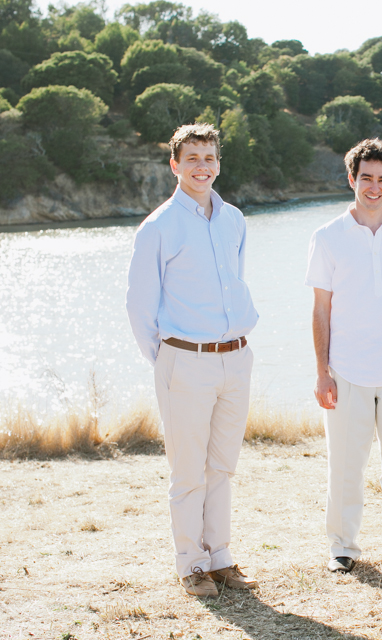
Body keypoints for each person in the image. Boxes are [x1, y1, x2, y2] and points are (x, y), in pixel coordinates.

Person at [126, 123, 260, 598]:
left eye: (210, 158)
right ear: (175, 165)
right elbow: (139, 307)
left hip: (235, 358)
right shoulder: (159, 227)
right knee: (187, 471)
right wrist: (168, 361)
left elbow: (233, 285)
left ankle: (220, 558)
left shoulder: (234, 219)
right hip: (184, 362)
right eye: (193, 158)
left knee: (221, 466)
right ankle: (191, 564)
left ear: (218, 164)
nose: (202, 167)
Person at [305, 138, 382, 575]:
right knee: (345, 466)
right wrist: (323, 371)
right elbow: (321, 308)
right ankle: (342, 548)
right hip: (346, 370)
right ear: (351, 178)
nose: (373, 187)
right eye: (365, 178)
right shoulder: (327, 236)